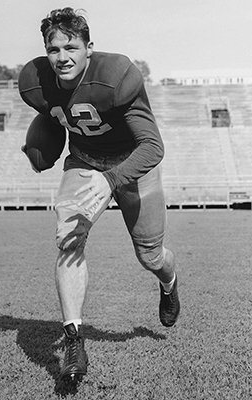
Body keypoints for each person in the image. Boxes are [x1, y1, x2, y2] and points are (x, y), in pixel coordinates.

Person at [18, 7, 180, 381]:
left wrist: (110, 181)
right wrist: (41, 147)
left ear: (88, 47)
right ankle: (74, 338)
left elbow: (153, 147)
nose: (62, 58)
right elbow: (52, 114)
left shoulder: (117, 76)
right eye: (53, 49)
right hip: (85, 160)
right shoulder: (35, 82)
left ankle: (169, 284)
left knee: (151, 255)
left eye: (71, 47)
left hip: (133, 162)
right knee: (68, 240)